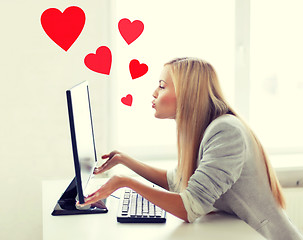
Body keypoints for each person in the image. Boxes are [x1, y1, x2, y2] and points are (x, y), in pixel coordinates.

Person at [80, 57, 303, 240]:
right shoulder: (207, 129)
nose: (154, 93)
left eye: (162, 86)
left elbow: (189, 208)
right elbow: (176, 180)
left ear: (187, 93)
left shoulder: (226, 132)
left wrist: (125, 182)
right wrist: (125, 161)